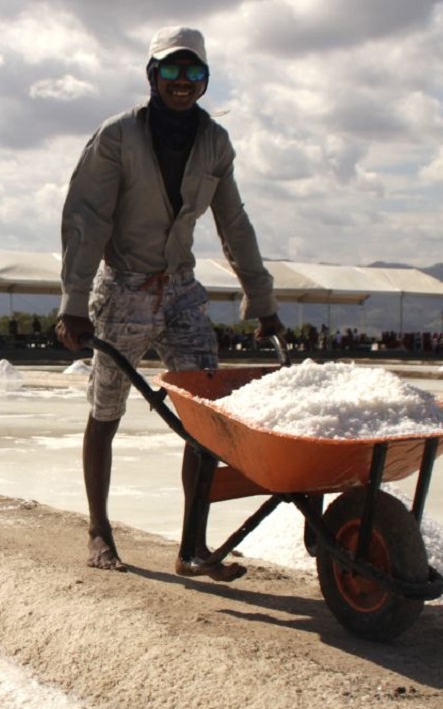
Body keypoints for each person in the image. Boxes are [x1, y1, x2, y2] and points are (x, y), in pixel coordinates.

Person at [55, 26, 284, 579]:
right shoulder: (116, 137)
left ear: (205, 81)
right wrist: (74, 300)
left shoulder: (216, 143)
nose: (183, 83)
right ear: (153, 75)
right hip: (125, 286)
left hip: (181, 290)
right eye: (173, 72)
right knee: (106, 411)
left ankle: (192, 547)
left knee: (204, 417)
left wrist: (261, 298)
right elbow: (86, 220)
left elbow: (234, 223)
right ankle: (99, 531)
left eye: (195, 73)